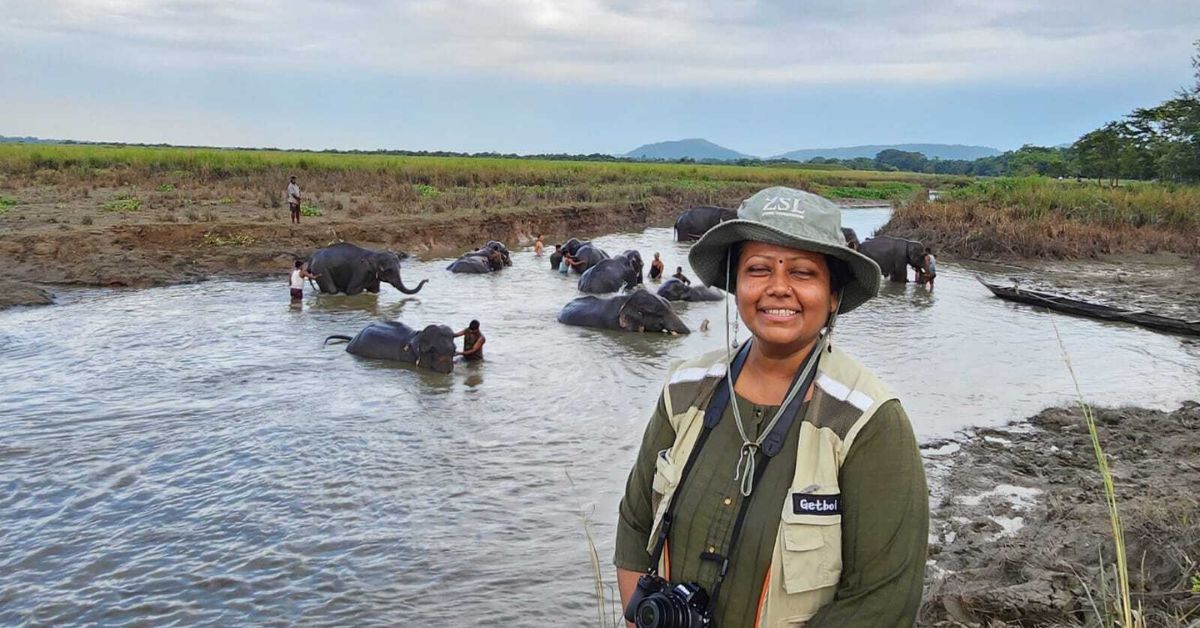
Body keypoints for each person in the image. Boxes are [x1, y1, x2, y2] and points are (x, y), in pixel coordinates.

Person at [615, 187, 927, 627]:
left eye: (802, 273)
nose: (778, 288)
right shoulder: (685, 390)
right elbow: (634, 525)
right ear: (737, 284)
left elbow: (883, 601)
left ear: (834, 294)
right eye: (758, 269)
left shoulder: (869, 422)